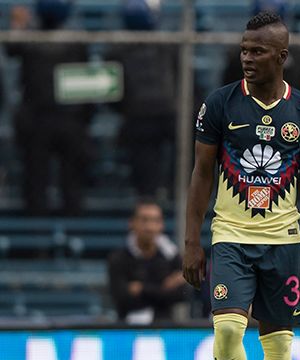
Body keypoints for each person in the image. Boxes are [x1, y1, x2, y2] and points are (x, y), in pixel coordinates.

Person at [182, 11, 300, 360]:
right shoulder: (219, 103)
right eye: (244, 49)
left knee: (279, 345)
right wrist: (193, 241)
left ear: (281, 55)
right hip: (230, 237)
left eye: (258, 51)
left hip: (284, 241)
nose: (247, 57)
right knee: (227, 331)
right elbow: (201, 174)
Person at [6, 0, 93, 215]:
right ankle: (41, 241)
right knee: (45, 181)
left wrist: (18, 25)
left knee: (48, 182)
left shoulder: (69, 40)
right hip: (51, 119)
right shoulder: (73, 40)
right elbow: (11, 48)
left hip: (53, 119)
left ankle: (54, 238)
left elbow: (12, 48)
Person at [105, 0, 178, 199]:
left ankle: (160, 196)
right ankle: (158, 197)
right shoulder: (168, 46)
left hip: (150, 117)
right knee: (147, 167)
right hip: (149, 117)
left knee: (151, 169)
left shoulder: (116, 51)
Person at [108, 198, 190, 323]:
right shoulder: (119, 258)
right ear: (132, 223)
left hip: (165, 329)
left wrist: (141, 288)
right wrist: (163, 288)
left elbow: (183, 295)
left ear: (161, 225)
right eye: (144, 220)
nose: (150, 227)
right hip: (127, 331)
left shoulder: (171, 256)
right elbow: (120, 296)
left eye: (155, 221)